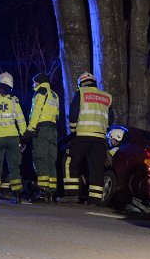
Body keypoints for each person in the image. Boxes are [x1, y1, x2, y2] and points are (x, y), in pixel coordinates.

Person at [64, 72, 113, 204]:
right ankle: (95, 200)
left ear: (81, 84)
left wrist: (74, 131)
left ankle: (71, 195)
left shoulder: (81, 93)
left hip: (82, 136)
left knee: (70, 162)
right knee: (97, 169)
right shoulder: (106, 97)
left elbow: (73, 114)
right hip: (100, 139)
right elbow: (111, 119)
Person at [0, 72, 27, 204]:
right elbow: (20, 119)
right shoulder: (14, 101)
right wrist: (23, 134)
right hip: (12, 137)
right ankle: (17, 195)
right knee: (14, 167)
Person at [23, 72, 59, 203]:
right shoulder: (54, 95)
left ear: (38, 82)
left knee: (40, 159)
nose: (33, 84)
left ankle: (43, 191)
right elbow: (57, 114)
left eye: (34, 82)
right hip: (53, 129)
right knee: (50, 160)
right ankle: (51, 192)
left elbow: (35, 112)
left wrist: (30, 129)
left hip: (41, 129)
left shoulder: (40, 93)